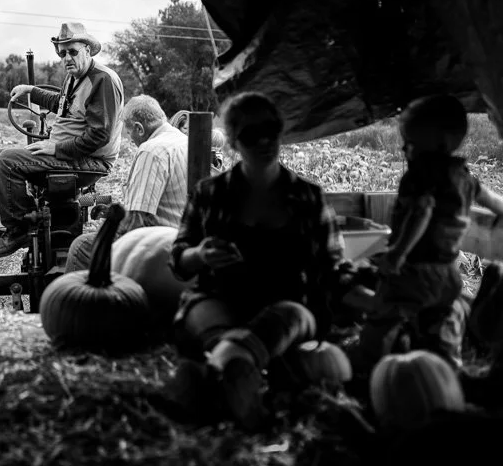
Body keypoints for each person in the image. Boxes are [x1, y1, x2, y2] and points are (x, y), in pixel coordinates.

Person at [166, 91, 345, 430]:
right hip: (220, 299)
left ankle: (217, 371)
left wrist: (366, 291)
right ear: (233, 142)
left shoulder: (308, 198)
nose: (264, 140)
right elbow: (178, 261)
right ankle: (241, 377)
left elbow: (332, 267)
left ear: (280, 131)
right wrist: (201, 254)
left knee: (290, 315)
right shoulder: (210, 193)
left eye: (271, 129)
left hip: (287, 304)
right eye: (250, 134)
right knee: (201, 309)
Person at [352, 94, 503, 372]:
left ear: (440, 142)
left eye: (410, 142)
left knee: (383, 316)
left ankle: (366, 369)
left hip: (414, 269)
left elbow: (421, 211)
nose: (403, 148)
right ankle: (446, 371)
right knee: (439, 325)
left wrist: (397, 254)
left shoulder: (420, 175)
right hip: (447, 272)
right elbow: (493, 201)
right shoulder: (465, 177)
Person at [0, 22, 125, 257]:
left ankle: (19, 229)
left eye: (72, 51)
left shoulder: (102, 80)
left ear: (87, 50)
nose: (66, 58)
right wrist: (31, 90)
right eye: (62, 53)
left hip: (89, 161)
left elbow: (100, 135)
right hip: (71, 153)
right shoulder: (75, 77)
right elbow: (61, 104)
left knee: (7, 162)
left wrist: (55, 148)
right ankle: (31, 219)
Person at [64, 95, 188, 272]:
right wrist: (112, 213)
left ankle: (83, 298)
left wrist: (111, 226)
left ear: (139, 129)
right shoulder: (182, 140)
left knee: (81, 247)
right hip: (182, 234)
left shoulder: (151, 150)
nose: (131, 140)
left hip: (161, 242)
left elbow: (139, 219)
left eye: (129, 134)